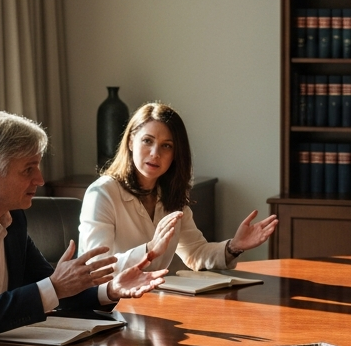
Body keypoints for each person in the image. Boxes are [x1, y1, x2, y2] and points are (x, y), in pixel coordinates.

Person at [0, 111, 167, 346]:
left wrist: (110, 289)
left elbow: (55, 289)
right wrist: (54, 287)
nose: (40, 179)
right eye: (28, 169)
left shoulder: (12, 216)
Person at [80, 102, 277, 273]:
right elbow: (96, 267)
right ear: (131, 142)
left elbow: (195, 253)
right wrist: (149, 250)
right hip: (108, 306)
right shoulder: (102, 193)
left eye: (166, 146)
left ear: (176, 154)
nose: (155, 153)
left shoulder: (170, 196)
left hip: (153, 300)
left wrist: (235, 246)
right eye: (147, 141)